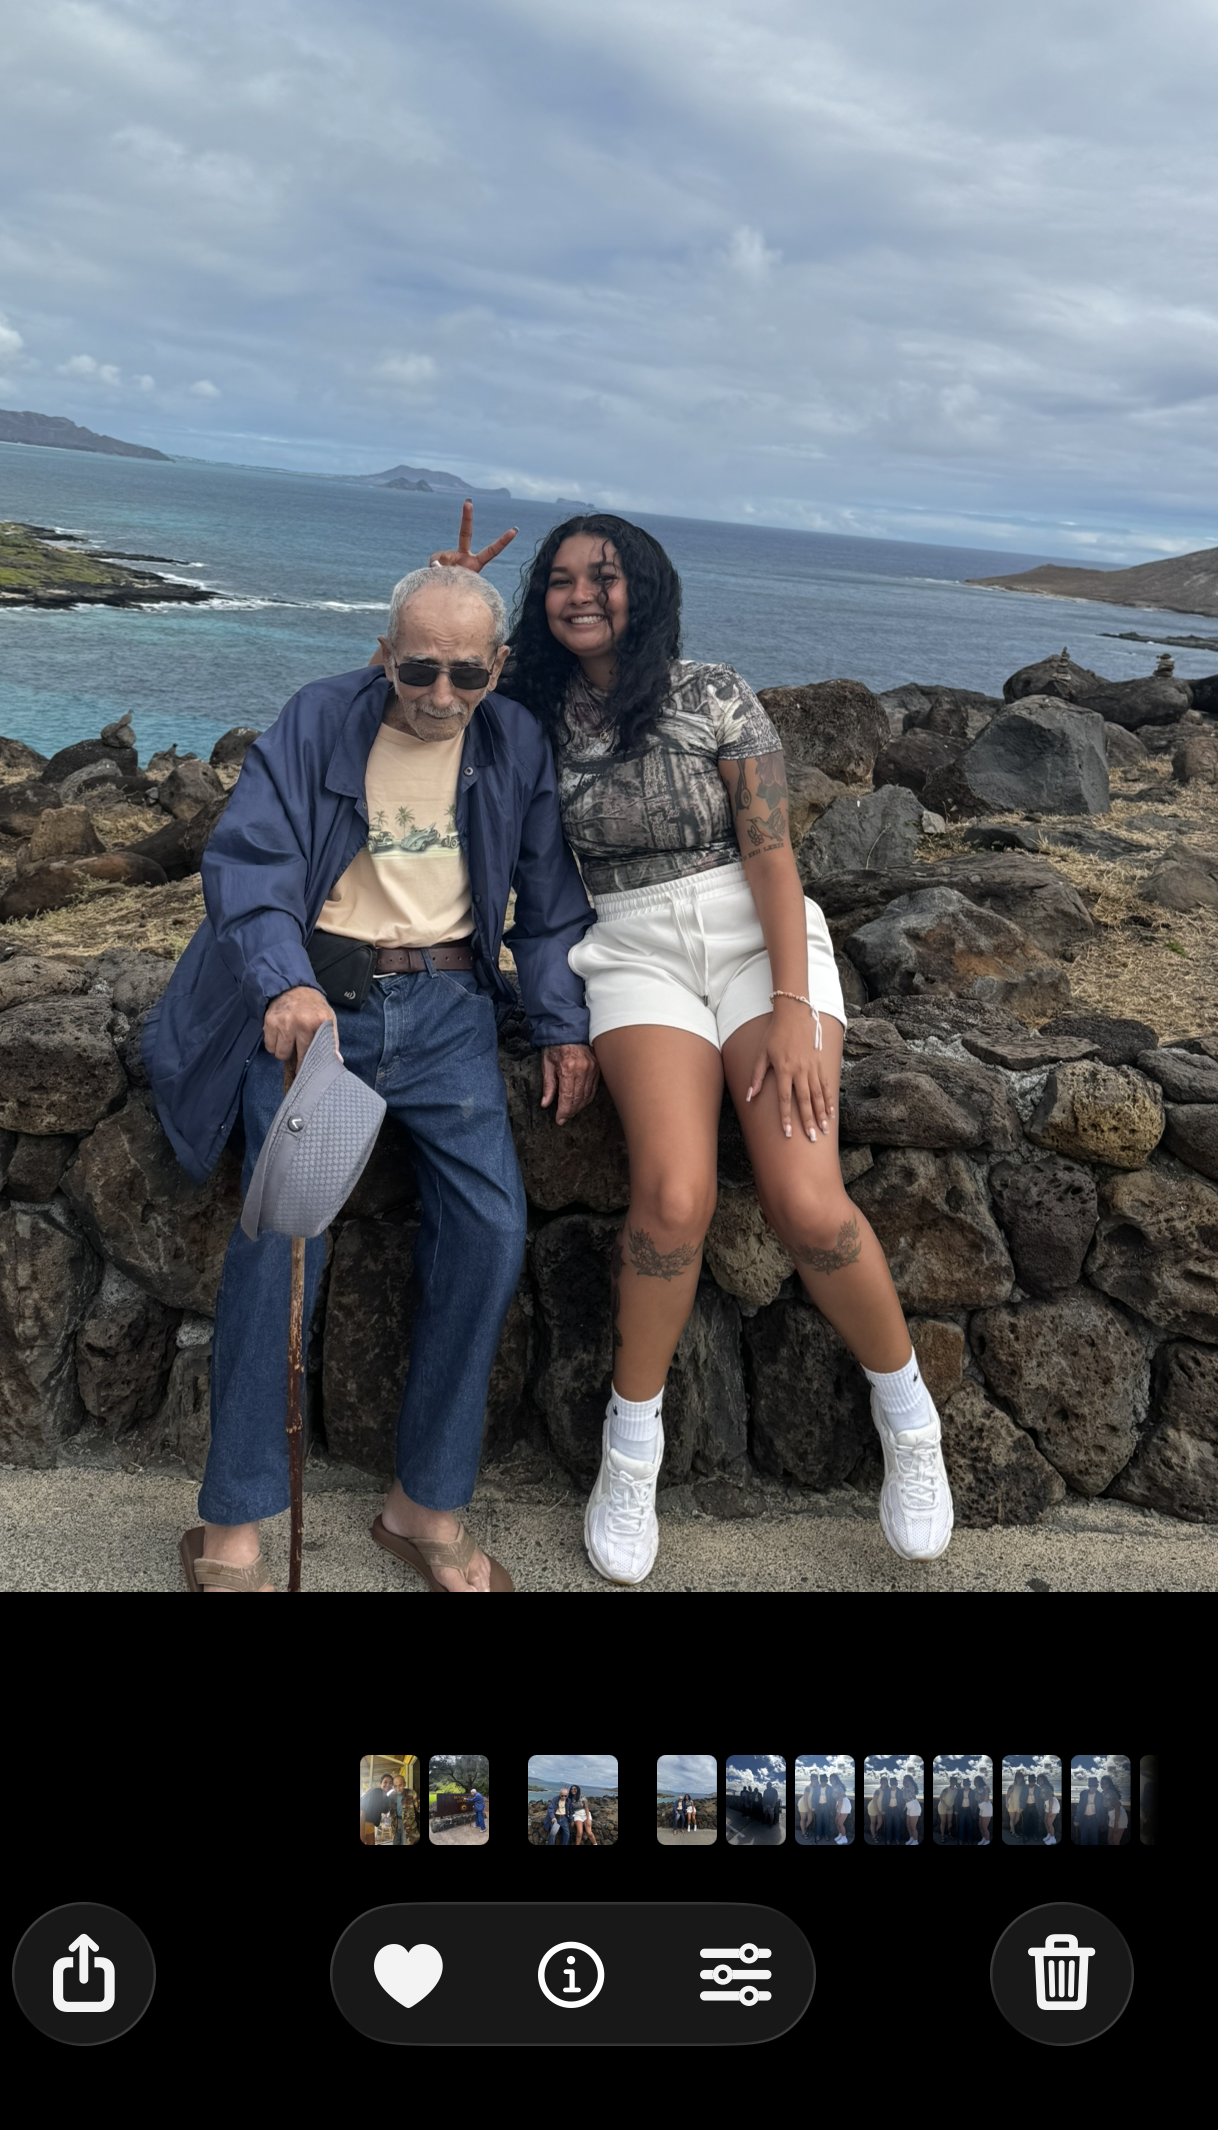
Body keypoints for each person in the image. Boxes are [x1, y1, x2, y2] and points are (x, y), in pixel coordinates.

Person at [494, 511, 955, 1582]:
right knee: (672, 1199)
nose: (579, 594)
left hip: (758, 942)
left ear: (645, 590)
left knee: (807, 1201)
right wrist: (444, 590)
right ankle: (631, 1449)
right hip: (630, 947)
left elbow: (773, 854)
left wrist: (793, 1004)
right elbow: (419, 682)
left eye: (604, 576)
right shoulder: (528, 706)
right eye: (560, 578)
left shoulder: (714, 691)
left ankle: (909, 1419)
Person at [143, 559, 598, 1593]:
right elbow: (249, 864)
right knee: (278, 1240)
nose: (441, 695)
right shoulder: (318, 717)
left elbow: (549, 904)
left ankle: (423, 1507)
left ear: (498, 669)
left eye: (466, 675)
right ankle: (234, 1523)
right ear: (385, 655)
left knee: (490, 1232)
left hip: (449, 1012)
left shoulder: (515, 741)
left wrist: (563, 1028)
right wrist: (285, 983)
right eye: (420, 669)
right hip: (323, 1009)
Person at [361, 1772, 401, 1842]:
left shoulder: (386, 1798)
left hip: (371, 1823)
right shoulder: (374, 1792)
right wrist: (361, 1832)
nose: (388, 1785)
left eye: (390, 1783)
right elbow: (362, 1810)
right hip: (362, 1821)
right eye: (385, 1782)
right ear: (381, 1783)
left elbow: (385, 1811)